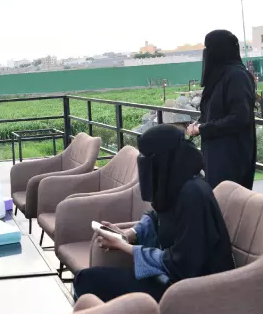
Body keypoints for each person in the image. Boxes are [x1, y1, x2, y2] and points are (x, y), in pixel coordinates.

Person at [73, 124, 235, 303]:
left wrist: (125, 247)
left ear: (163, 159)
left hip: (186, 292)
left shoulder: (193, 195)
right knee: (86, 278)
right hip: (166, 279)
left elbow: (183, 262)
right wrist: (129, 234)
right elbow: (157, 216)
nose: (143, 162)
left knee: (86, 282)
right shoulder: (178, 184)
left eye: (146, 157)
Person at [186, 30, 257, 189]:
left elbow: (240, 117)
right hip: (215, 152)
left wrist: (204, 129)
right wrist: (198, 124)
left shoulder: (237, 76)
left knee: (228, 198)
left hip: (232, 155)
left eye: (209, 48)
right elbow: (213, 111)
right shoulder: (219, 76)